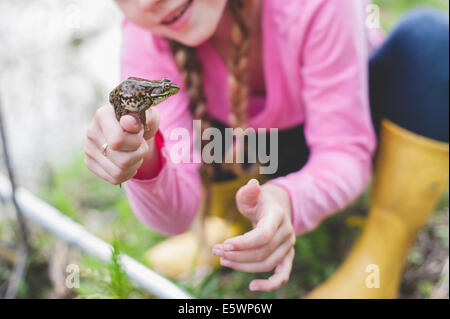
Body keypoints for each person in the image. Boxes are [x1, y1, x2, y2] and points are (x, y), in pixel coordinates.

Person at [84, 0, 449, 297]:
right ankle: (233, 223)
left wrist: (289, 198)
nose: (149, 2)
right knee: (205, 140)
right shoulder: (148, 36)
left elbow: (344, 154)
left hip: (345, 133)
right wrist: (146, 160)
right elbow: (175, 216)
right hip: (256, 150)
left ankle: (379, 256)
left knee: (430, 42)